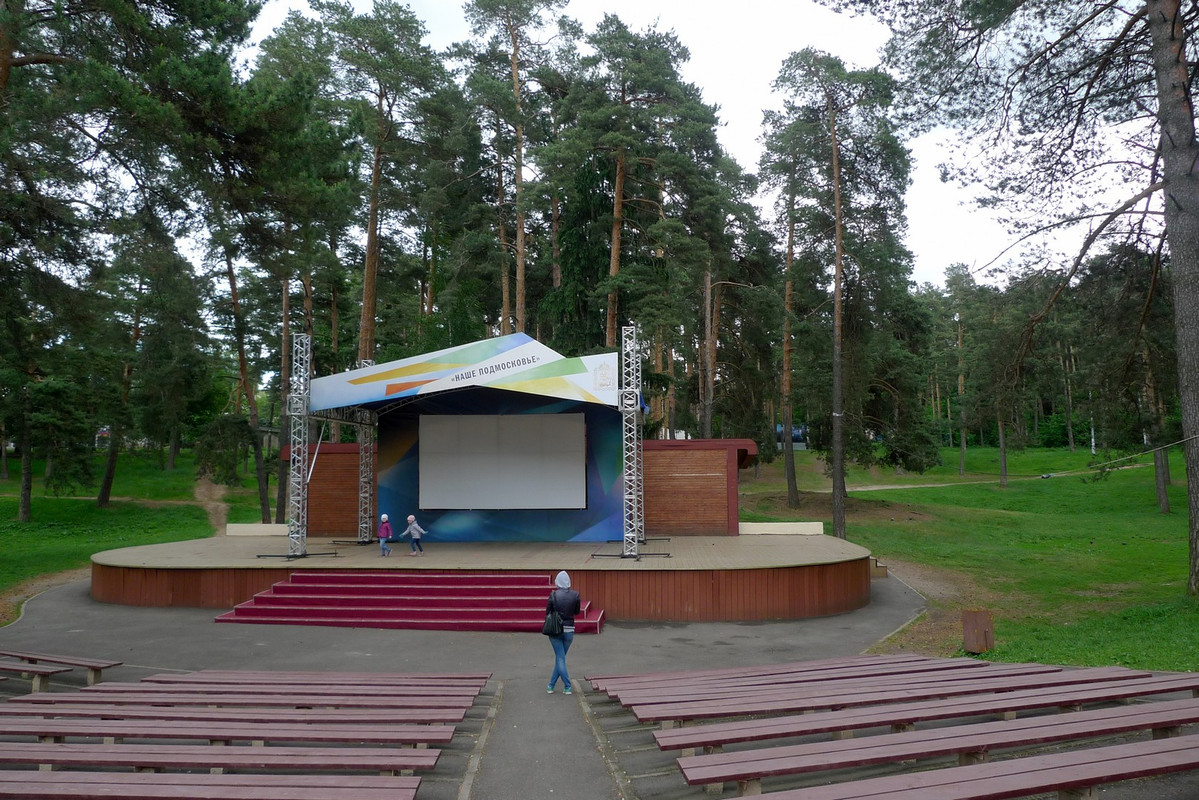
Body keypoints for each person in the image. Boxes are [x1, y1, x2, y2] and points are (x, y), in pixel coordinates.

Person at [546, 570, 581, 695]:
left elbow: (547, 612)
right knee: (561, 658)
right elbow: (577, 612)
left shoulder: (553, 595)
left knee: (560, 658)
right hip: (569, 630)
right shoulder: (575, 595)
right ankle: (551, 685)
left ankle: (567, 686)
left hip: (555, 630)